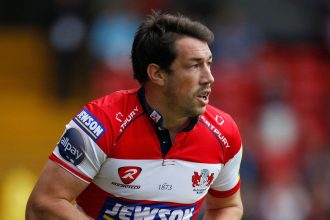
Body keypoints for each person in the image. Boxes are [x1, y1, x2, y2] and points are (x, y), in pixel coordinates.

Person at [26, 11, 244, 220]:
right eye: (195, 66)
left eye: (209, 64)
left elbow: (228, 206)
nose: (210, 78)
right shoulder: (101, 121)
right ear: (157, 74)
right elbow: (43, 204)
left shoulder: (224, 133)